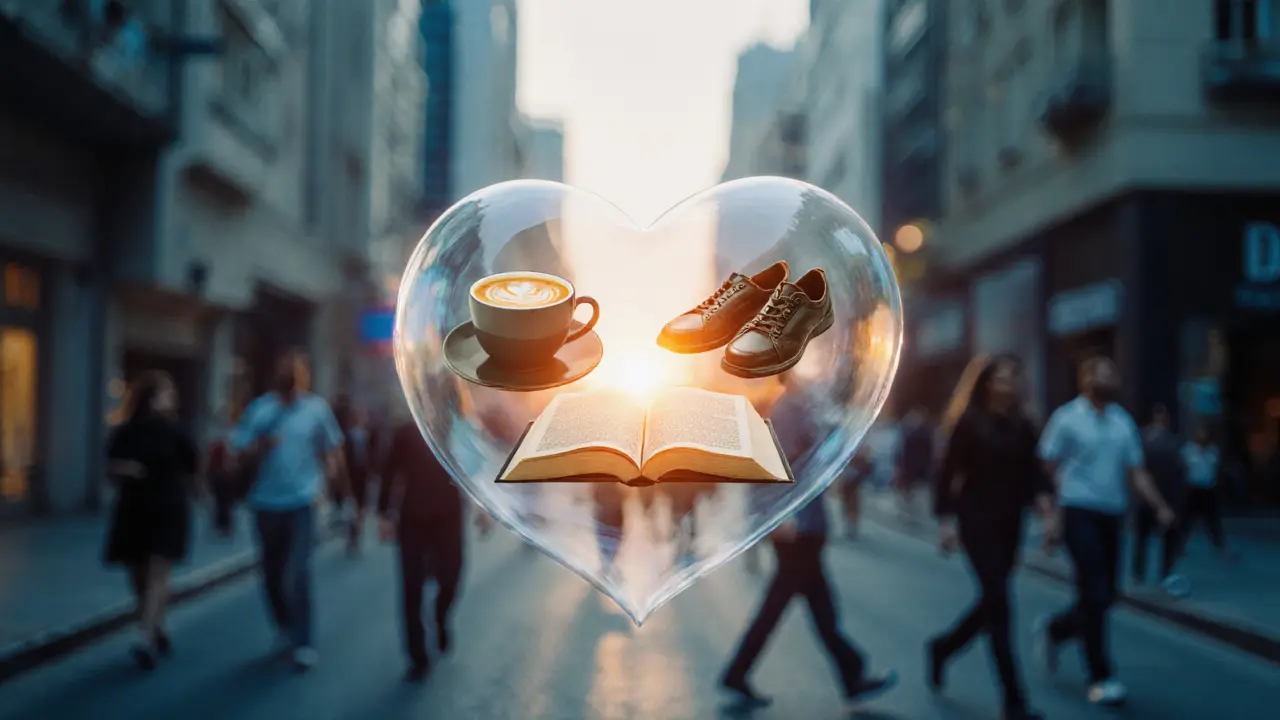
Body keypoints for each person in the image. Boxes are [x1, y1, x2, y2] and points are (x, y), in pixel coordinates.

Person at [720, 373, 897, 710]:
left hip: (805, 527)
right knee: (784, 608)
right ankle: (850, 672)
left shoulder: (796, 407)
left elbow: (816, 464)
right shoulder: (789, 410)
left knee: (819, 608)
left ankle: (850, 674)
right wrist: (779, 517)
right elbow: (769, 467)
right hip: (797, 530)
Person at [1036, 356, 1177, 706]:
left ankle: (1056, 629)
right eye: (1102, 372)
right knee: (1094, 591)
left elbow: (1137, 472)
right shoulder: (1066, 418)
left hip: (1111, 517)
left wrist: (1159, 506)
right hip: (1077, 512)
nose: (1110, 378)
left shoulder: (1122, 422)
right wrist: (1051, 518)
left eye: (1113, 372)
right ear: (1086, 379)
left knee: (1106, 595)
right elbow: (1047, 469)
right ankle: (1101, 676)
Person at [926, 354, 1052, 720]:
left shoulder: (1023, 424)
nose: (1008, 383)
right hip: (976, 522)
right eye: (1001, 377)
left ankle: (943, 648)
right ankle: (1014, 701)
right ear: (986, 383)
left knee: (992, 604)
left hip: (1011, 523)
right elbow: (948, 473)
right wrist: (946, 523)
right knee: (1000, 604)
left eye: (1013, 377)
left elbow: (1035, 474)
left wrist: (1048, 513)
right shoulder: (970, 421)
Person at [231, 350, 346, 671]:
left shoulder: (316, 409)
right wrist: (260, 447)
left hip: (302, 502)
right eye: (286, 370)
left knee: (297, 573)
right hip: (265, 503)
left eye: (296, 371)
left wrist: (332, 486)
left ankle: (303, 640)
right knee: (270, 573)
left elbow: (333, 449)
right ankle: (283, 625)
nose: (291, 377)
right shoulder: (260, 410)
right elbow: (238, 452)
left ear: (305, 376)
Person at [103, 371, 198, 670]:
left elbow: (194, 466)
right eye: (162, 394)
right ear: (148, 397)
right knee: (138, 573)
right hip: (134, 508)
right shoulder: (126, 431)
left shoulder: (177, 432)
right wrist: (125, 470)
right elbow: (110, 468)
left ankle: (144, 637)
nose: (167, 399)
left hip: (168, 507)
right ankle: (156, 626)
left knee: (158, 571)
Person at [378, 397, 467, 682]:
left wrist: (485, 509)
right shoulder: (406, 431)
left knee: (452, 577)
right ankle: (417, 657)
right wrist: (383, 513)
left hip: (449, 515)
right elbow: (389, 472)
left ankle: (440, 616)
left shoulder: (455, 427)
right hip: (412, 518)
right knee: (411, 586)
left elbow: (472, 467)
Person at [1132, 404, 1188, 596]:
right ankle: (1144, 571)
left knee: (1154, 538)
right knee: (1145, 537)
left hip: (1160, 496)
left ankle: (1155, 572)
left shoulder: (1168, 441)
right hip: (1151, 496)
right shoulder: (1148, 438)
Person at [1180, 421, 1236, 565]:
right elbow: (1183, 468)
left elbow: (1216, 468)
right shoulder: (1189, 449)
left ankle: (1220, 545)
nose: (1202, 435)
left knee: (1213, 519)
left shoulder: (1213, 450)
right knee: (1187, 520)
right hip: (1193, 488)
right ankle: (1179, 545)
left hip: (1208, 488)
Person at [895, 406, 935, 517]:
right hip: (913, 465)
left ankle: (910, 510)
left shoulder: (913, 433)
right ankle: (910, 510)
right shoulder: (921, 432)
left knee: (912, 489)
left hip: (913, 465)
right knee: (911, 489)